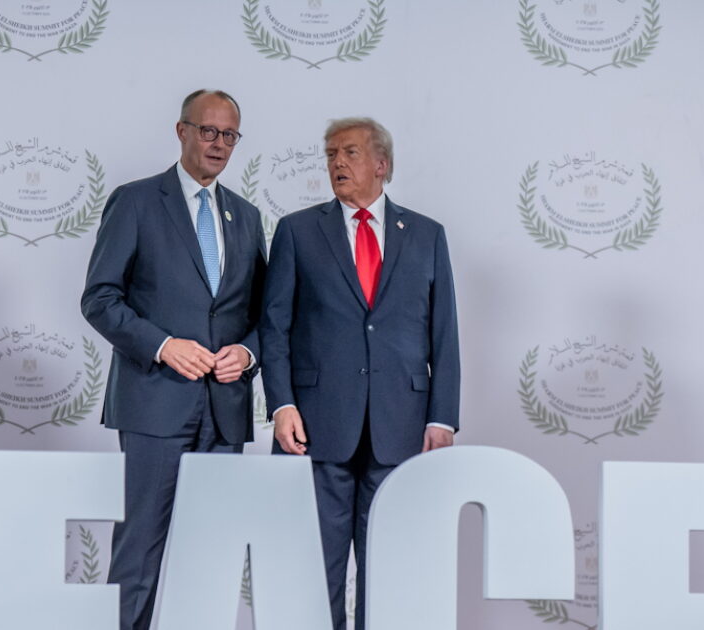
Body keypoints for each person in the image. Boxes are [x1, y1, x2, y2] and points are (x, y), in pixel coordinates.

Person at [260, 117, 460, 630]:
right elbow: (274, 328)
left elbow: (444, 333)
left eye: (349, 152)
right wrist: (281, 404)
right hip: (316, 428)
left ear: (381, 164)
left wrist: (442, 417)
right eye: (330, 154)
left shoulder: (427, 235)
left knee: (388, 571)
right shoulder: (297, 232)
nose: (337, 163)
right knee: (314, 570)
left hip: (401, 428)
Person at [80, 89, 266, 630]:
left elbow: (264, 314)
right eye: (208, 131)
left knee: (209, 556)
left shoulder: (247, 216)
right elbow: (99, 299)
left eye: (229, 135)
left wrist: (247, 352)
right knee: (139, 555)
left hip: (225, 411)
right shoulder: (136, 201)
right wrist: (163, 346)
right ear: (181, 131)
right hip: (154, 405)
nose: (218, 144)